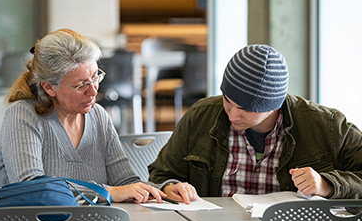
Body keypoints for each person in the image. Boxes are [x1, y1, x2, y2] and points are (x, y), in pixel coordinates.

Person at [0, 28, 195, 204]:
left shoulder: (97, 116)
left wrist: (165, 189)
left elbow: (125, 183)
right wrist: (105, 192)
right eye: (81, 84)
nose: (93, 91)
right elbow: (30, 186)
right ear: (49, 87)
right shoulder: (23, 115)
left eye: (95, 76)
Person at [149, 44, 362, 201]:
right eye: (227, 101)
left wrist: (328, 185)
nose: (232, 116)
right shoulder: (200, 115)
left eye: (245, 109)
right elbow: (162, 173)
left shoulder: (327, 126)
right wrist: (170, 186)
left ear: (274, 106)